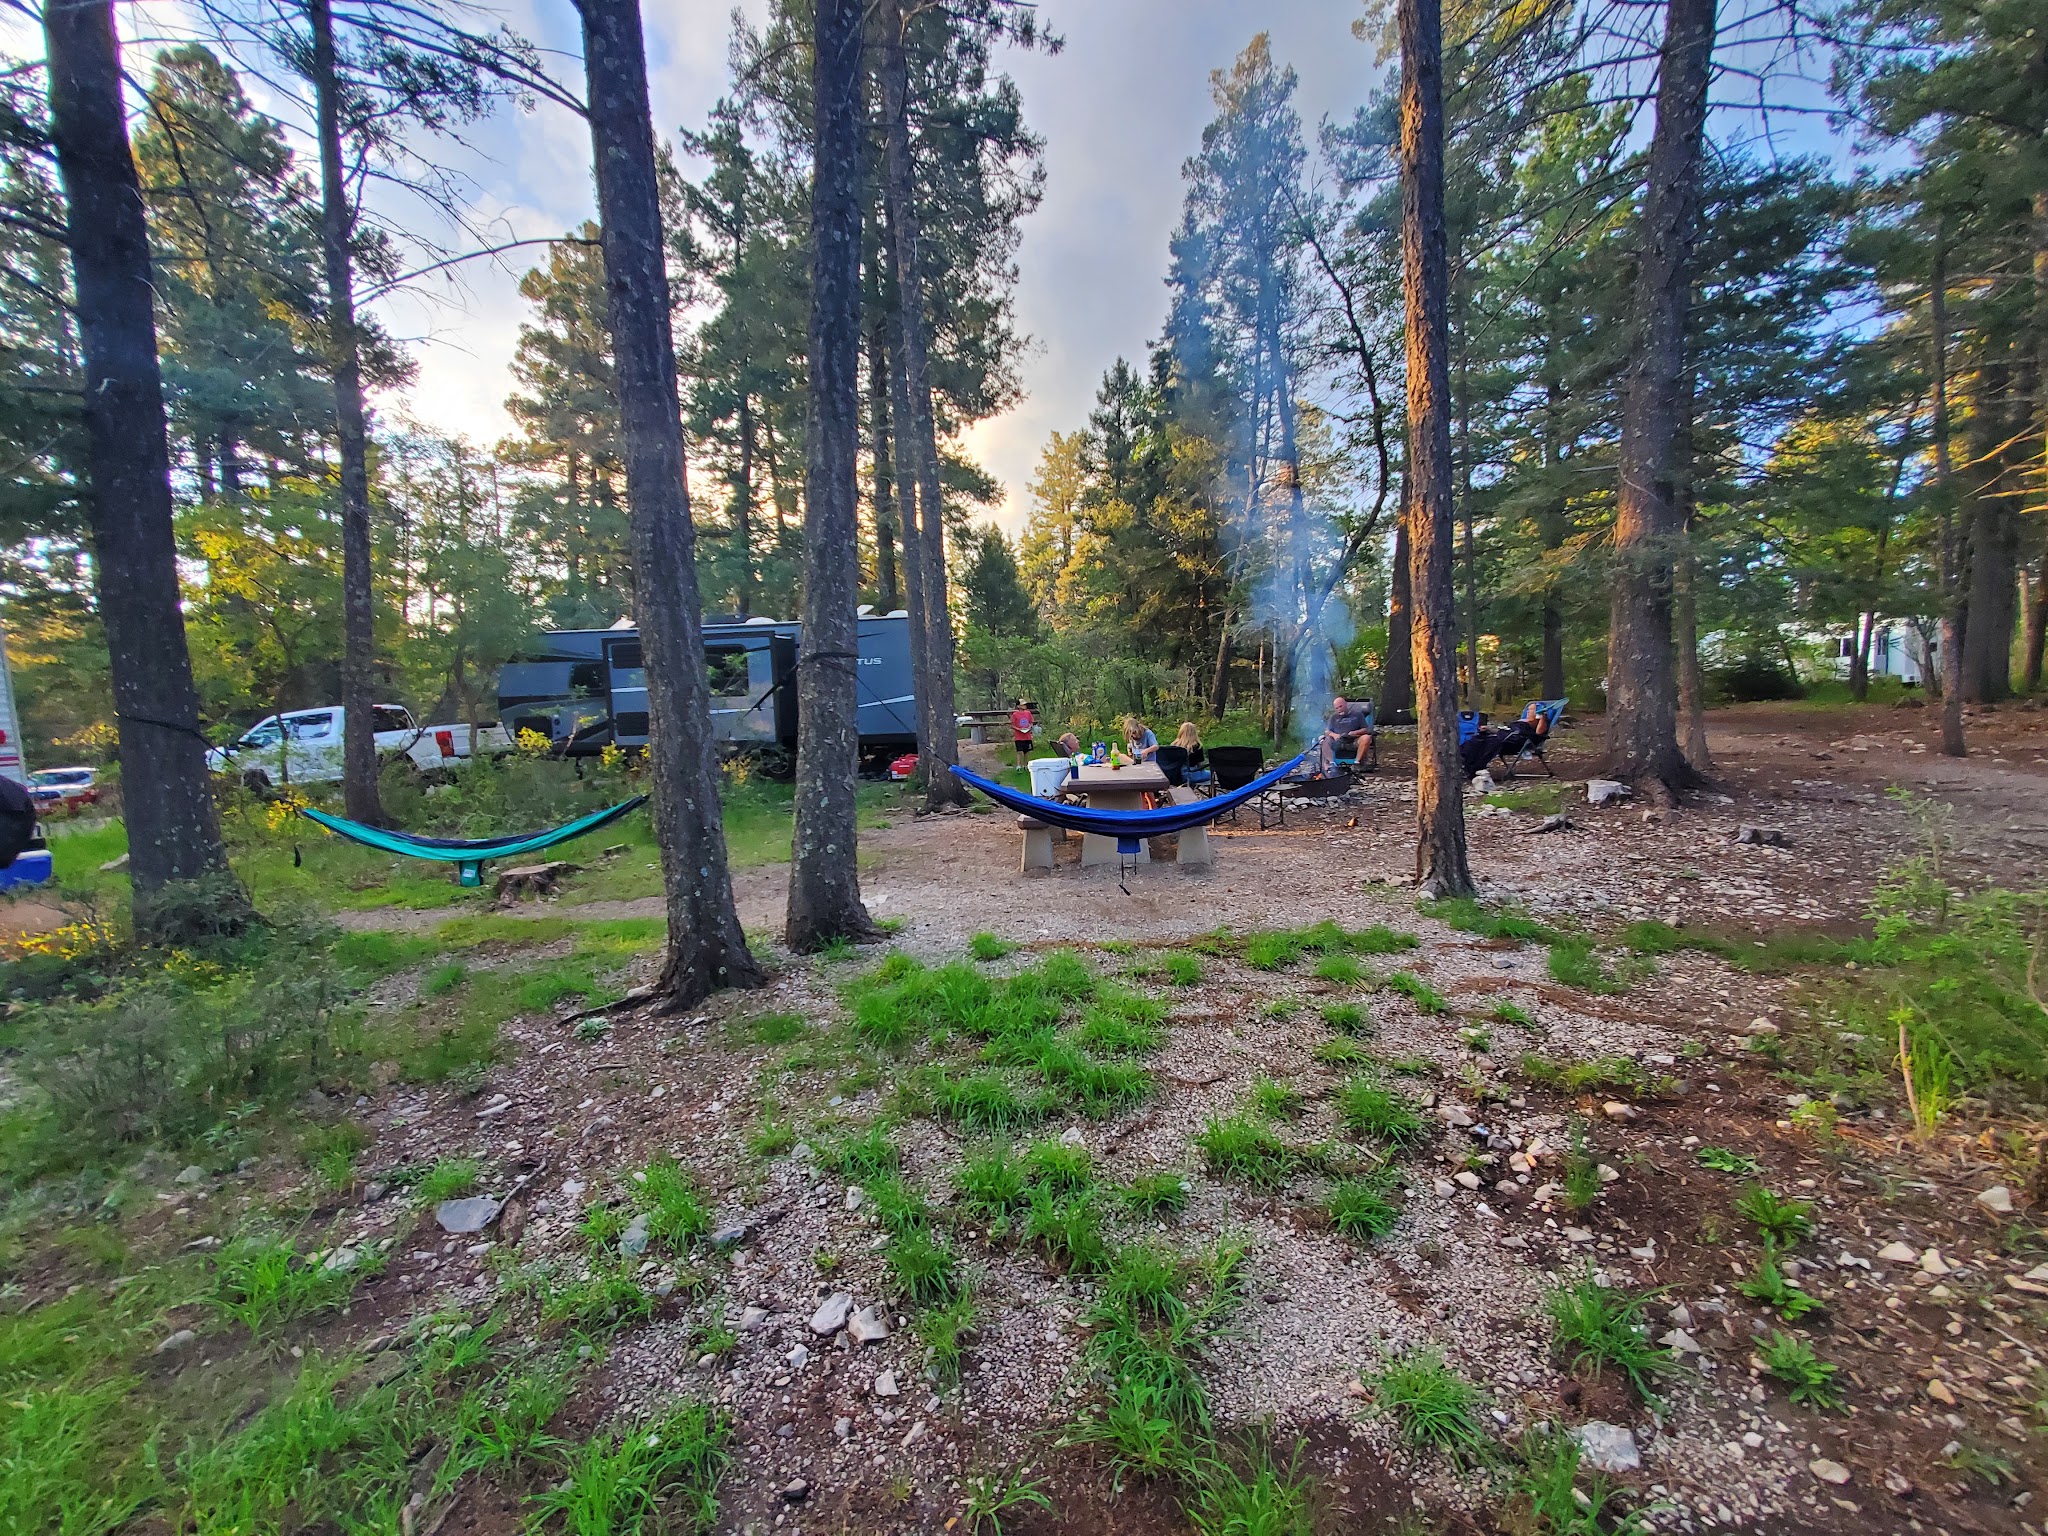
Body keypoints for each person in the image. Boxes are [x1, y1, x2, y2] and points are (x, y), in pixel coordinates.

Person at [1318, 695, 1376, 774]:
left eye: (1340, 706)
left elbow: (1365, 729)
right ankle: (1332, 763)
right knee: (1323, 739)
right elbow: (1327, 731)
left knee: (1366, 738)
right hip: (1338, 741)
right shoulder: (1334, 717)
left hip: (1353, 740)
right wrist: (1334, 735)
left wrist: (1355, 732)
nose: (1339, 709)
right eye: (1337, 708)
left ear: (1345, 704)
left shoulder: (1357, 714)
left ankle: (1357, 763)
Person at [1172, 721, 1211, 788]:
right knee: (1213, 774)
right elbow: (1201, 765)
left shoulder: (1174, 746)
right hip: (1191, 775)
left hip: (1176, 776)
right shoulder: (1196, 746)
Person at [1010, 699, 1036, 764]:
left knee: (1027, 751)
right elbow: (1012, 725)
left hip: (1027, 736)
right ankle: (1019, 765)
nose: (1025, 706)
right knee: (1019, 751)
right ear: (1018, 706)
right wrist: (1019, 729)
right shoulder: (1015, 714)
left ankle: (1026, 764)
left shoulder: (1028, 713)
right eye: (1023, 705)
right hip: (1019, 737)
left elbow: (1031, 722)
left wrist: (1029, 727)